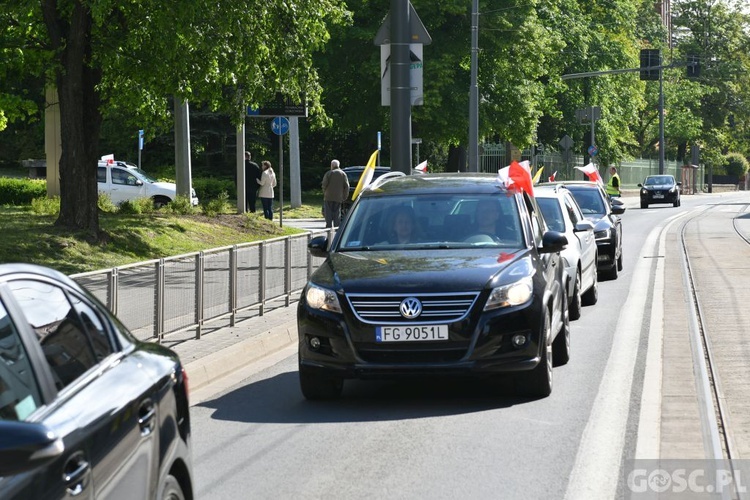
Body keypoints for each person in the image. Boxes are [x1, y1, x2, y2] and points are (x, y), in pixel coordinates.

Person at [321, 159, 350, 228]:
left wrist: (325, 193)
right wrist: (344, 196)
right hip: (339, 197)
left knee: (328, 213)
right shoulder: (343, 174)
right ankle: (337, 228)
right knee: (337, 213)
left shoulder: (329, 173)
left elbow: (324, 185)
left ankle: (328, 227)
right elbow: (347, 186)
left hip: (328, 197)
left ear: (332, 165)